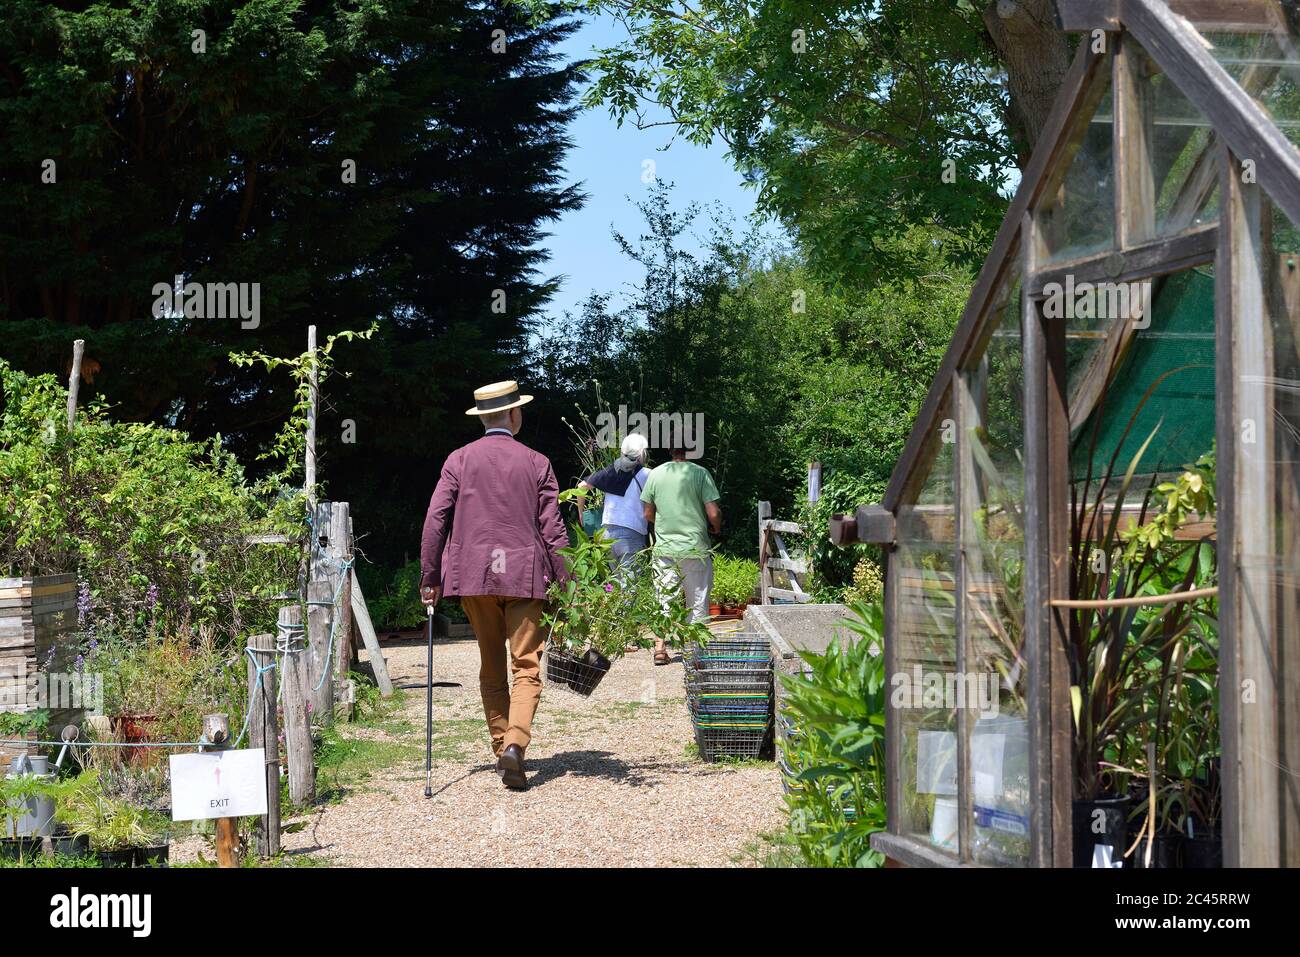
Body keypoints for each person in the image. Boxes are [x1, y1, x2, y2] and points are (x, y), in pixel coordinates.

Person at [419, 380, 568, 791]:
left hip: (474, 574)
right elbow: (553, 531)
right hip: (524, 574)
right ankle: (516, 746)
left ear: (483, 418)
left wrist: (430, 576)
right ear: (515, 414)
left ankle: (502, 743)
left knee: (491, 664)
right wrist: (569, 582)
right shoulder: (537, 462)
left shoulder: (458, 460)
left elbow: (435, 520)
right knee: (526, 665)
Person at [639, 443, 722, 665]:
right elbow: (713, 512)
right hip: (695, 548)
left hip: (665, 548)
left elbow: (647, 513)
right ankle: (695, 652)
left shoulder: (655, 475)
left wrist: (664, 524)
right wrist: (715, 527)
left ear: (669, 450)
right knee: (697, 600)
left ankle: (659, 648)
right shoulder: (700, 474)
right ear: (691, 449)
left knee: (664, 598)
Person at [575, 433, 652, 575]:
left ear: (623, 452)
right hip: (631, 533)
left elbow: (581, 486)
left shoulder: (611, 470)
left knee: (617, 587)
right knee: (630, 590)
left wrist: (581, 514)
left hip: (606, 535)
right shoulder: (647, 474)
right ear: (642, 453)